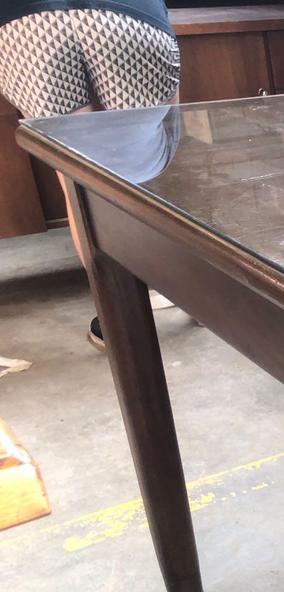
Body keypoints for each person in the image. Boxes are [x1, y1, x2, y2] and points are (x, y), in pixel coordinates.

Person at [0, 0, 181, 349]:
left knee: (80, 185)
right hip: (130, 18)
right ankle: (196, 295)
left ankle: (118, 320)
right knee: (165, 169)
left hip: (26, 25)